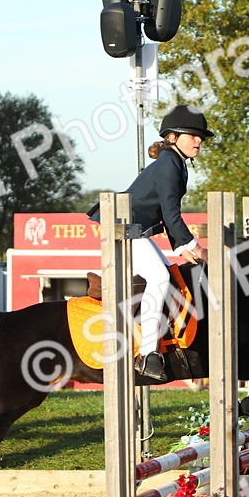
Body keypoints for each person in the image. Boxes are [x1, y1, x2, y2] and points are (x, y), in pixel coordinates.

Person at [87, 104, 211, 383]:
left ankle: (161, 335)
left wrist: (184, 249)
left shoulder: (175, 163)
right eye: (193, 135)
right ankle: (147, 354)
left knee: (171, 275)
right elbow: (171, 215)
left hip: (135, 230)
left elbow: (168, 219)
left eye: (200, 136)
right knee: (159, 276)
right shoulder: (169, 165)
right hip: (123, 229)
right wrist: (196, 247)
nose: (199, 140)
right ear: (173, 137)